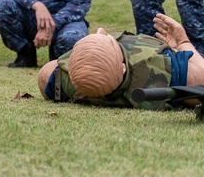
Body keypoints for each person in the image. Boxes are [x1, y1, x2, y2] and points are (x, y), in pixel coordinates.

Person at [39, 14, 204, 109]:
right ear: (123, 68)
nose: (101, 30)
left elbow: (46, 72)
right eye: (110, 40)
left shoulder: (60, 82)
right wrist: (183, 43)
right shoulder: (174, 75)